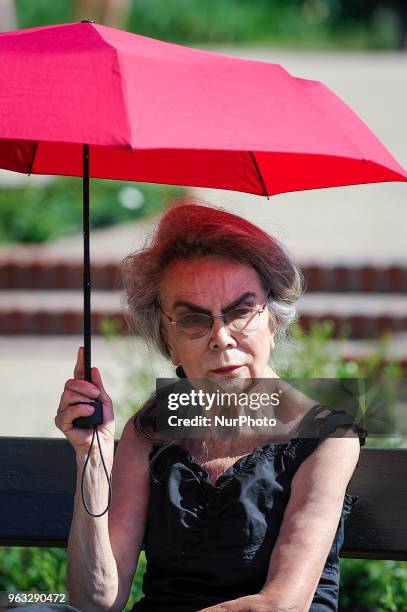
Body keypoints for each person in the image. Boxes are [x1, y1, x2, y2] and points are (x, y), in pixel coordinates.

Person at [15, 202, 366, 612]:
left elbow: (281, 604)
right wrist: (91, 456)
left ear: (273, 319)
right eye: (193, 320)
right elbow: (94, 600)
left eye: (240, 311)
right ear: (168, 341)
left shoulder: (327, 435)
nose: (221, 337)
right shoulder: (151, 429)